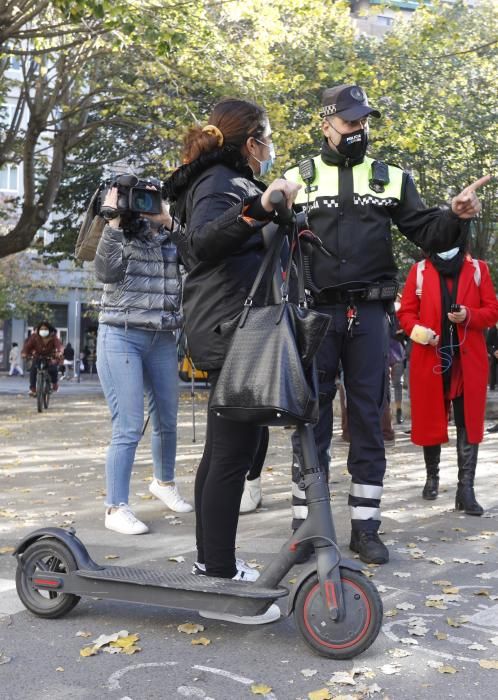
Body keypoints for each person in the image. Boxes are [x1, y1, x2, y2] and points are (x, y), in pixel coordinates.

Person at [284, 84, 489, 563]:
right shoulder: (298, 178)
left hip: (372, 315)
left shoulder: (391, 178)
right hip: (314, 314)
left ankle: (365, 526)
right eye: (351, 122)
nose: (359, 130)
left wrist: (454, 218)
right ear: (326, 124)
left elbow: (426, 230)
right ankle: (306, 528)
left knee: (370, 420)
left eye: (364, 122)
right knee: (309, 418)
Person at [164, 97, 300, 624]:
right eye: (267, 137)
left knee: (231, 450)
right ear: (251, 141)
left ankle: (211, 565)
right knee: (231, 454)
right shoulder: (223, 183)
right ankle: (218, 576)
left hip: (234, 325)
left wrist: (278, 214)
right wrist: (260, 208)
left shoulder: (229, 180)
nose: (270, 148)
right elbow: (201, 244)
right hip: (230, 328)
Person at [94, 184, 192, 536]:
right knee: (129, 425)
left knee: (168, 417)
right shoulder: (120, 232)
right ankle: (115, 507)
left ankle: (164, 483)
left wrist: (169, 222)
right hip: (121, 335)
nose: (148, 205)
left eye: (155, 197)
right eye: (142, 199)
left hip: (163, 337)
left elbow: (196, 259)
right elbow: (105, 273)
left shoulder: (169, 233)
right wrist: (114, 222)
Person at [397, 245, 498, 514]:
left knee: (469, 423)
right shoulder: (419, 270)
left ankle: (466, 489)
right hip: (430, 359)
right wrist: (421, 333)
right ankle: (432, 477)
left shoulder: (478, 269)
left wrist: (469, 315)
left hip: (468, 363)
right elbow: (405, 314)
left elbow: (492, 311)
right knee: (431, 420)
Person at [21, 321, 62, 395]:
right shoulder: (34, 337)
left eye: (45, 329)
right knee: (33, 370)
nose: (43, 331)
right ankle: (33, 389)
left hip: (50, 356)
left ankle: (54, 383)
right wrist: (24, 353)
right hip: (38, 356)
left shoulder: (53, 337)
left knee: (53, 369)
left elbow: (59, 346)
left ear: (49, 330)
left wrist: (59, 352)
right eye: (41, 329)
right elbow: (27, 346)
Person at [486, 322, 498, 391]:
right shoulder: (492, 330)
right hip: (494, 353)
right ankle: (492, 386)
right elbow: (487, 344)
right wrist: (494, 352)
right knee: (492, 367)